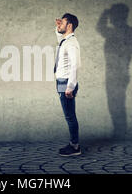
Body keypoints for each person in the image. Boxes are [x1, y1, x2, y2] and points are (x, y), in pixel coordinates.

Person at [54, 13, 82, 156]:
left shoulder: (71, 43)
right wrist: (58, 28)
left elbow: (75, 66)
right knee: (69, 116)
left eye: (62, 23)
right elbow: (61, 39)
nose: (60, 25)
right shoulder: (66, 41)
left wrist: (70, 87)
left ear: (69, 25)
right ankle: (73, 143)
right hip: (62, 82)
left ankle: (75, 146)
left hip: (66, 83)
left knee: (70, 116)